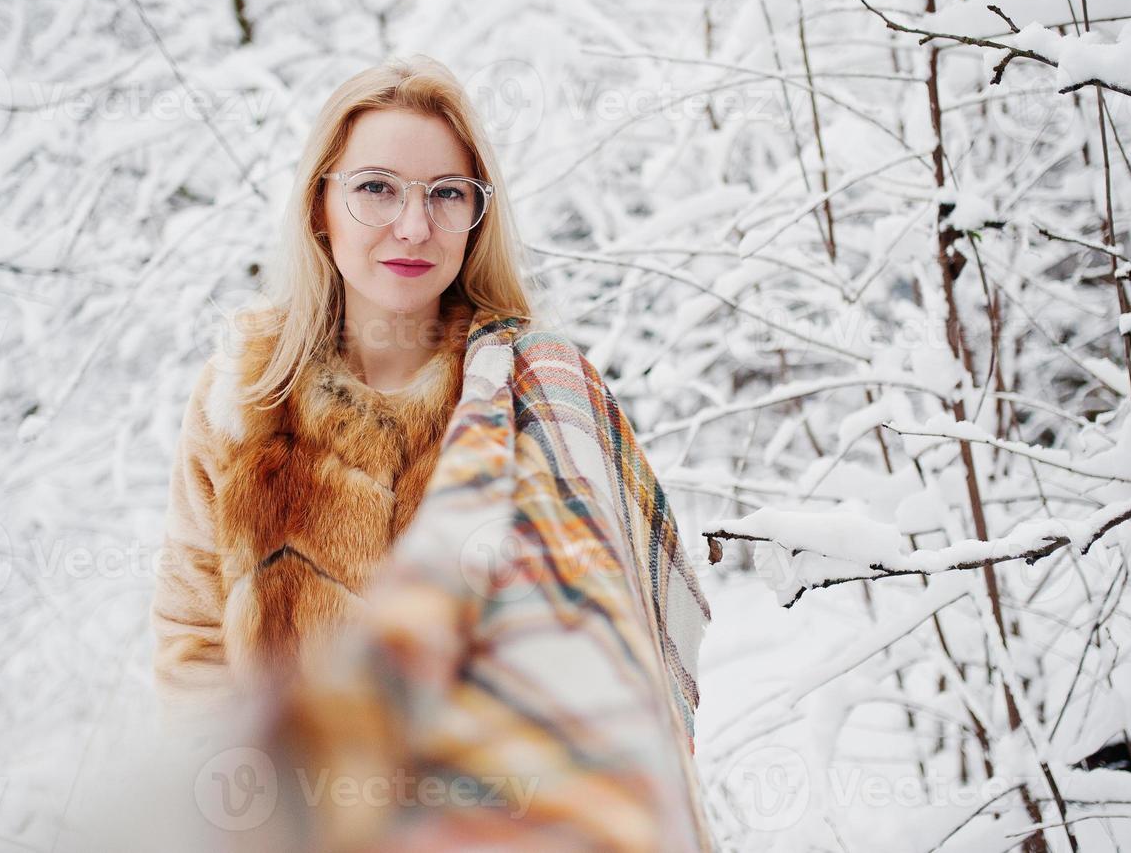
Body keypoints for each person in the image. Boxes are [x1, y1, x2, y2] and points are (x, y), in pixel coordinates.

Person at [149, 54, 713, 851]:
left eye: (447, 194)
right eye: (376, 188)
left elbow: (619, 647)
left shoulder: (542, 396)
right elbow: (195, 647)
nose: (414, 226)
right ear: (322, 206)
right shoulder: (242, 398)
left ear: (477, 216)